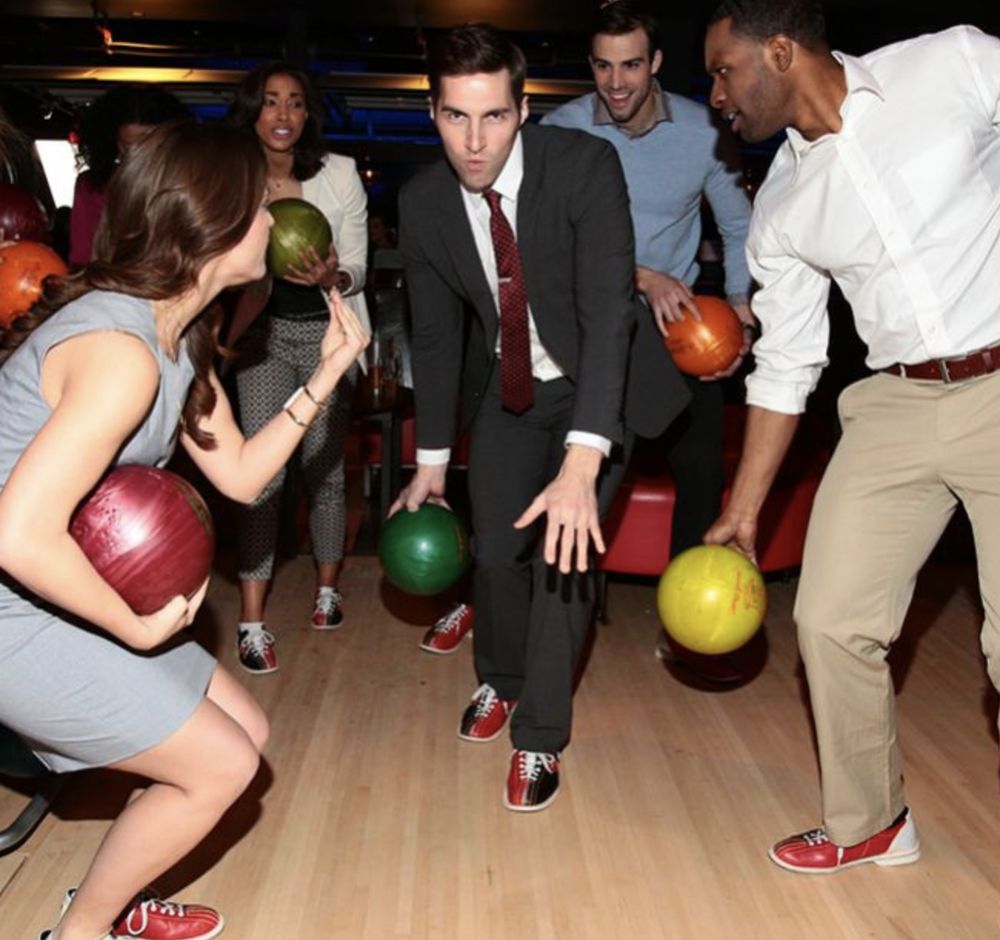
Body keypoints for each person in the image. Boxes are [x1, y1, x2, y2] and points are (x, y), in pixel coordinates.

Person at [0, 120, 367, 940]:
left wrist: (328, 371)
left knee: (249, 734)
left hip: (53, 585)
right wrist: (132, 627)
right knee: (222, 764)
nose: (275, 221)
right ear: (215, 223)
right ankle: (79, 933)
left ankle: (115, 897)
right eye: (262, 207)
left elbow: (238, 475)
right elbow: (17, 534)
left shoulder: (177, 333)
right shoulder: (120, 352)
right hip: (13, 608)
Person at [703, 0, 1000, 872]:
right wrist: (743, 511)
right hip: (893, 405)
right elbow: (786, 364)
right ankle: (871, 821)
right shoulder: (781, 206)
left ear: (779, 52)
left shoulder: (952, 64)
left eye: (722, 71)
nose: (716, 94)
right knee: (829, 619)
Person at [394, 23, 688, 811]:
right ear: (433, 112)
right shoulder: (424, 203)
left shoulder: (584, 167)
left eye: (493, 116)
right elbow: (436, 335)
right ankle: (503, 678)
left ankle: (540, 737)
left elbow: (609, 316)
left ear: (522, 110)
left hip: (601, 389)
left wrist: (583, 461)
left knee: (564, 553)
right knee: (495, 553)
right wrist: (431, 460)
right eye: (456, 117)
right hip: (512, 389)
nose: (475, 141)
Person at [542, 0, 755, 679]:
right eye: (603, 66)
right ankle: (559, 628)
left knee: (702, 473)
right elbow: (550, 241)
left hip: (678, 333)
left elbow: (740, 226)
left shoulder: (702, 130)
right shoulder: (561, 131)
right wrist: (641, 276)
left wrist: (742, 307)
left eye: (631, 65)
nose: (617, 82)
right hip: (590, 334)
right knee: (586, 477)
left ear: (656, 61)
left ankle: (692, 630)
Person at [225, 62, 370, 675]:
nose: (283, 114)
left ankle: (327, 591)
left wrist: (334, 275)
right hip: (262, 339)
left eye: (295, 102)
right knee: (261, 478)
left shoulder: (339, 173)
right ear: (252, 111)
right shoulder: (234, 176)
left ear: (308, 114)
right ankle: (251, 621)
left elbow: (358, 264)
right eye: (270, 101)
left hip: (327, 338)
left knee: (325, 472)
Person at [69, 86, 188, 268]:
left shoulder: (186, 187)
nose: (141, 156)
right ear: (114, 144)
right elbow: (82, 257)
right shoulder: (94, 188)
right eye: (130, 147)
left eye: (150, 146)